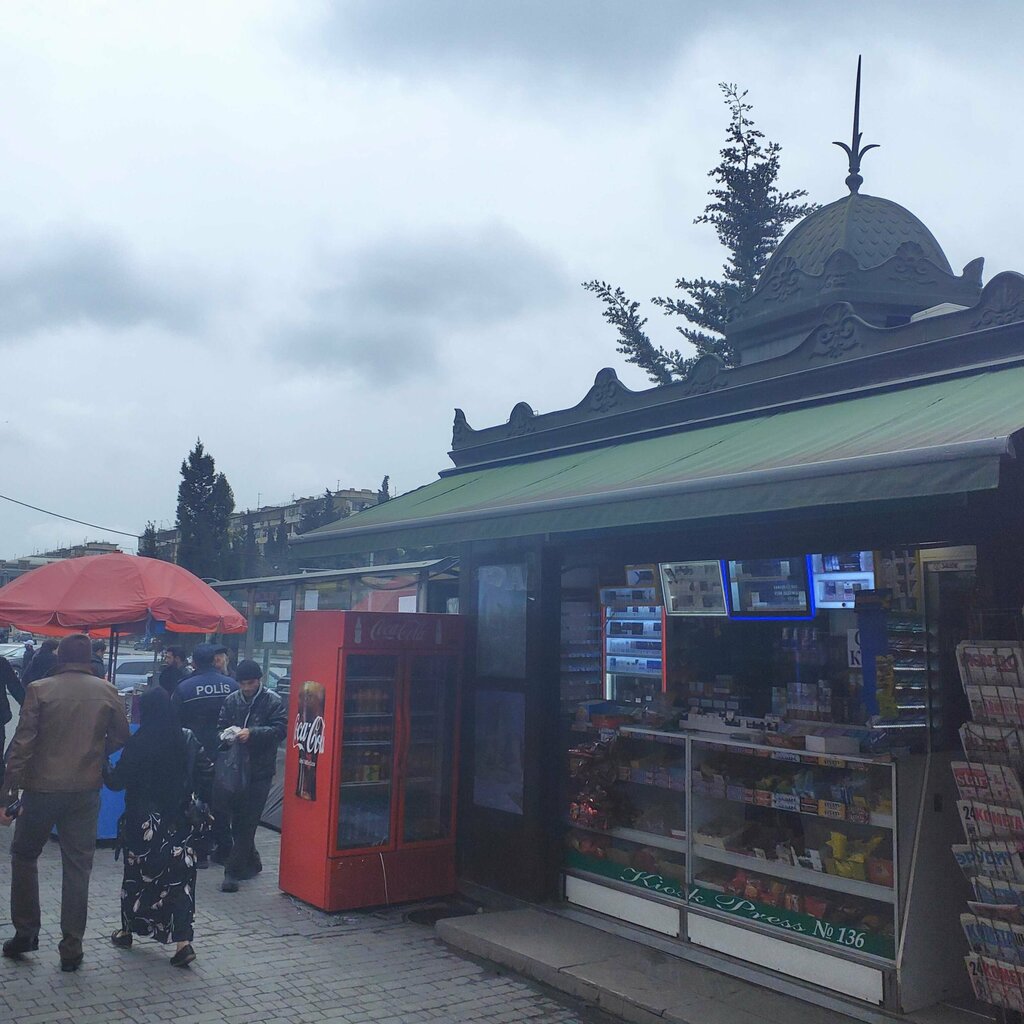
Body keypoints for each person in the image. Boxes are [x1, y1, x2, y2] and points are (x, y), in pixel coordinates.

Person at [0, 633, 130, 971]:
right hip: (85, 789)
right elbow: (121, 736)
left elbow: (22, 745)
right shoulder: (108, 691)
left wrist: (8, 794)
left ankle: (26, 932)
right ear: (89, 659)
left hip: (41, 789)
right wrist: (95, 753)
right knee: (77, 866)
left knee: (24, 855)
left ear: (60, 658)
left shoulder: (39, 689)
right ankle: (72, 947)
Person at [104, 687, 212, 968]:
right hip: (179, 821)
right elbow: (207, 771)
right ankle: (182, 944)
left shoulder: (139, 741)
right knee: (179, 881)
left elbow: (116, 782)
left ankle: (127, 931)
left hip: (143, 825)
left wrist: (102, 760)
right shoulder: (186, 738)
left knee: (136, 877)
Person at [216, 660, 286, 893]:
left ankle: (232, 871)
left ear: (260, 680)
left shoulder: (272, 701)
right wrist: (227, 735)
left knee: (248, 820)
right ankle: (252, 861)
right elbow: (221, 725)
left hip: (260, 770)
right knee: (239, 819)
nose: (247, 688)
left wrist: (253, 733)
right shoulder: (231, 700)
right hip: (235, 769)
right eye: (243, 683)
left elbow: (280, 730)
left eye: (251, 683)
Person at [171, 642, 237, 866]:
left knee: (198, 800)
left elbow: (175, 723)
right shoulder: (231, 685)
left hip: (195, 754)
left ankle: (200, 849)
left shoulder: (184, 688)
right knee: (223, 802)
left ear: (194, 662)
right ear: (213, 660)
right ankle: (224, 846)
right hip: (226, 752)